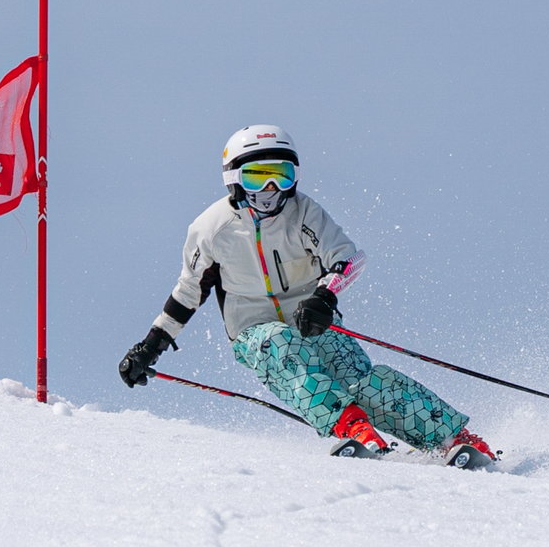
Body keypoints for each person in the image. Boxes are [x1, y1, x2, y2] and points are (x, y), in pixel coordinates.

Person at [118, 125, 497, 465]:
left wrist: (324, 297)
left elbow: (348, 258)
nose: (270, 191)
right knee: (282, 345)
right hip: (255, 333)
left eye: (281, 177)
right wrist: (151, 346)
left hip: (314, 319)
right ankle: (350, 427)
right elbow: (188, 292)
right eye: (256, 178)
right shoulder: (211, 229)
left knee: (367, 383)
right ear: (233, 179)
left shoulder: (303, 213)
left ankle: (452, 438)